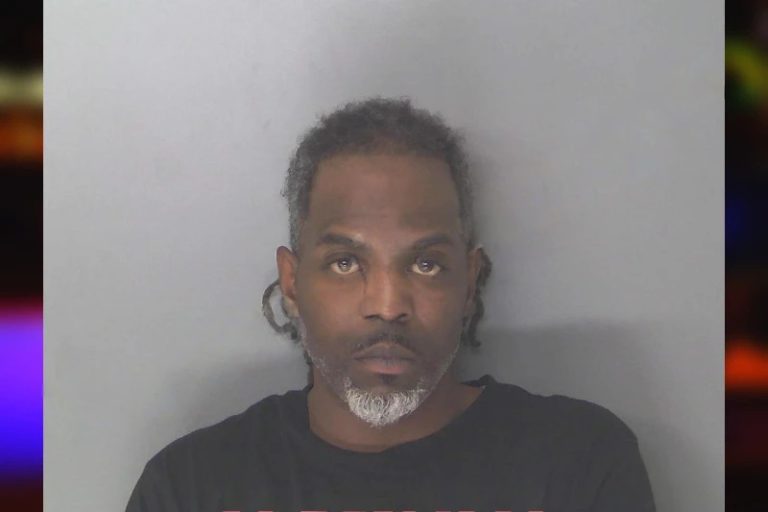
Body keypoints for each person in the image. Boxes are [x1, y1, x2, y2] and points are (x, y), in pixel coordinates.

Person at [125, 97, 656, 512]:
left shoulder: (578, 465)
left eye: (425, 264)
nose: (387, 305)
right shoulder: (189, 487)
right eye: (345, 263)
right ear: (292, 282)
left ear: (469, 282)